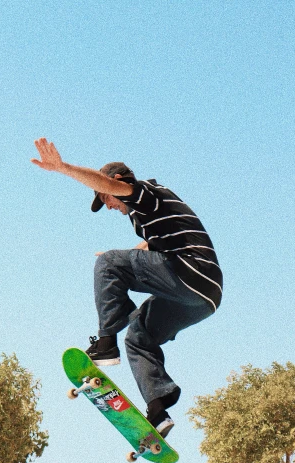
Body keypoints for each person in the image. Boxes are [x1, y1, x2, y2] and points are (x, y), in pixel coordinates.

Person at [31, 138, 222, 438]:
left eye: (105, 198)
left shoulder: (145, 193)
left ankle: (106, 344)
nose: (108, 206)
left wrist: (63, 168)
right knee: (138, 335)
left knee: (109, 263)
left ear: (117, 183)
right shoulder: (150, 217)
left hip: (191, 272)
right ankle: (158, 411)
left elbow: (112, 187)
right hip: (203, 297)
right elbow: (150, 249)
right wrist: (121, 259)